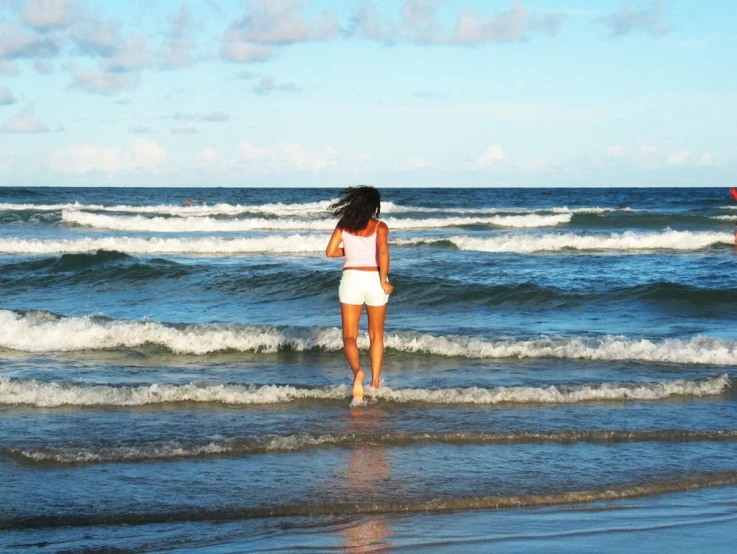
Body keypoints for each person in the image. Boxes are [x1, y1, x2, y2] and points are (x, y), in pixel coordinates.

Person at [326, 186, 393, 402]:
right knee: (376, 335)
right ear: (374, 205)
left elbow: (330, 252)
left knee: (349, 336)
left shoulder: (344, 225)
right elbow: (383, 252)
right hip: (374, 279)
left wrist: (350, 251)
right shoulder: (380, 226)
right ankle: (374, 383)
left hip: (351, 279)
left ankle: (357, 372)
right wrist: (383, 280)